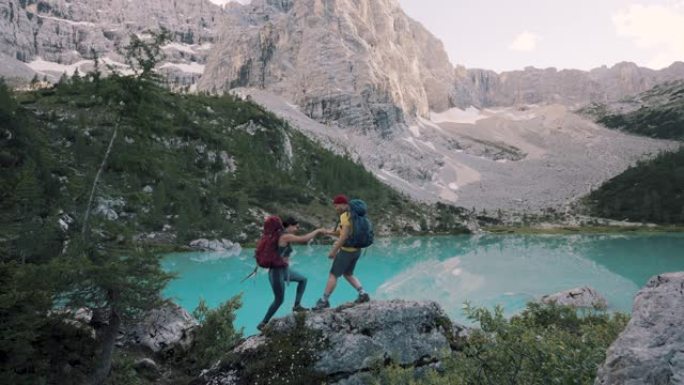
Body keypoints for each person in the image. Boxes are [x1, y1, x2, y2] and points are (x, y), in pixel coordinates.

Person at [257, 217, 325, 331]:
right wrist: (317, 231)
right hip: (276, 272)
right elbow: (304, 239)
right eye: (296, 227)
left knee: (303, 280)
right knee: (279, 300)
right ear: (289, 226)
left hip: (283, 270)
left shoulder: (281, 236)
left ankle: (297, 306)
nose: (297, 229)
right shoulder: (284, 236)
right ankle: (263, 323)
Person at [313, 194, 370, 310]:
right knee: (348, 274)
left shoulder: (345, 216)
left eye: (337, 205)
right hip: (356, 250)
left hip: (346, 252)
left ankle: (324, 301)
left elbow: (343, 237)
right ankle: (363, 294)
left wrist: (333, 251)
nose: (336, 208)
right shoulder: (355, 216)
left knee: (333, 275)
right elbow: (344, 231)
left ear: (344, 204)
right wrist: (328, 232)